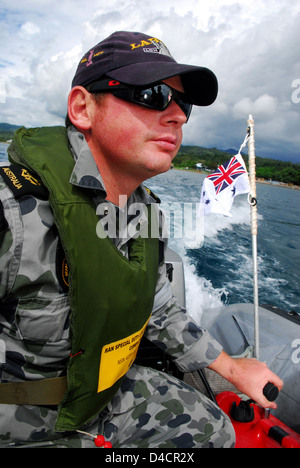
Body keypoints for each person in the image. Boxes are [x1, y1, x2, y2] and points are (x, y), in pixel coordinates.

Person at [0, 31, 283, 448]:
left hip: (103, 393)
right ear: (82, 107)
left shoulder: (143, 211)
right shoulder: (12, 213)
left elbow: (156, 304)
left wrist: (235, 370)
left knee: (215, 431)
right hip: (25, 422)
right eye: (152, 94)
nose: (178, 116)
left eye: (182, 103)